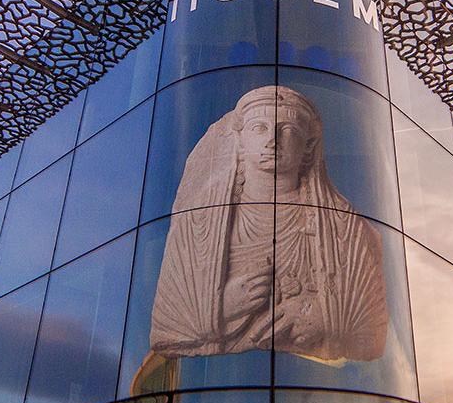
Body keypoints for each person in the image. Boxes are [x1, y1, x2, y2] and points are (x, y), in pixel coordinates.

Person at [150, 85, 389, 362]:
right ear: (240, 139)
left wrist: (324, 318)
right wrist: (220, 306)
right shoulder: (201, 219)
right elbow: (166, 326)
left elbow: (372, 330)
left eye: (288, 130)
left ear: (308, 146)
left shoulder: (342, 225)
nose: (272, 141)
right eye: (259, 128)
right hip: (229, 377)